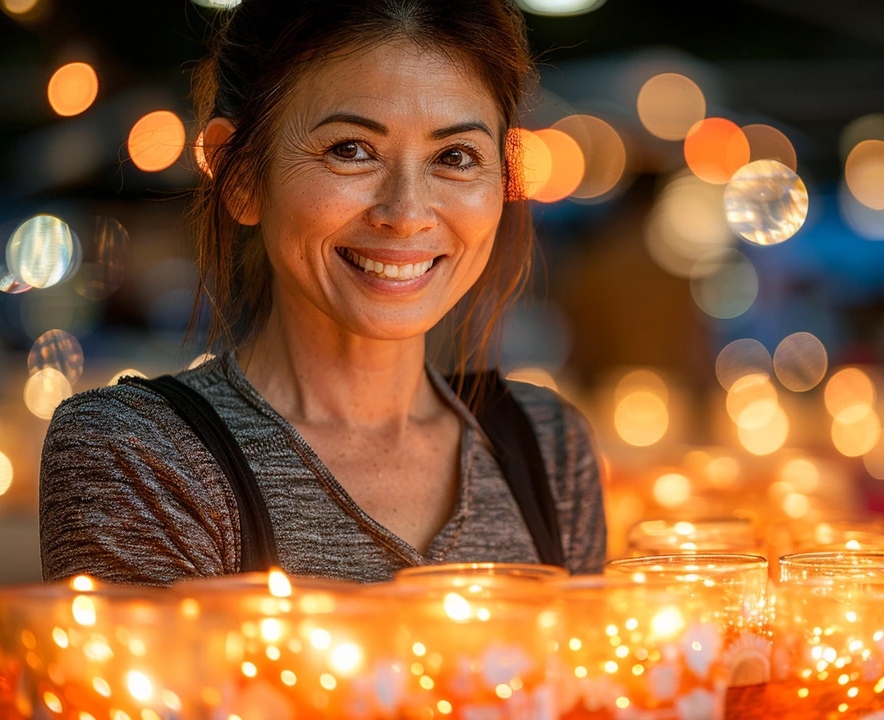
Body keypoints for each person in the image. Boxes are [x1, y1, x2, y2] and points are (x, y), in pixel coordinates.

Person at [39, 0, 606, 586]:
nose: (407, 214)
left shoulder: (549, 450)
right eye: (350, 150)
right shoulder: (143, 453)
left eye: (455, 157)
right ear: (241, 176)